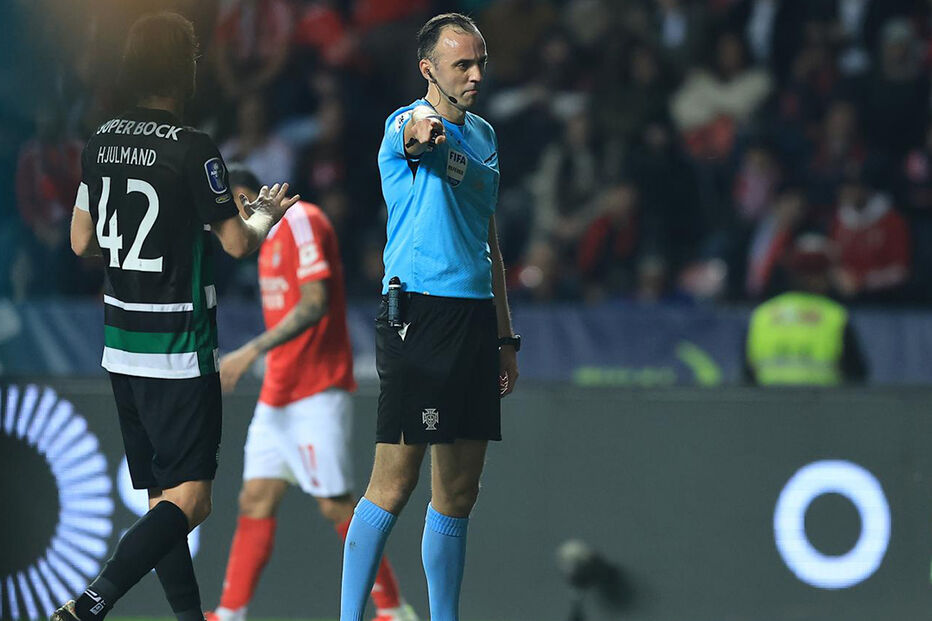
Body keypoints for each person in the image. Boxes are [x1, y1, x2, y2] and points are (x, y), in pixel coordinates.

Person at [55, 12, 299, 621]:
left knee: (163, 503)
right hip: (177, 347)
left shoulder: (100, 140)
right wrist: (266, 214)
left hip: (120, 346)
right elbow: (239, 245)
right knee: (190, 503)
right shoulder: (194, 150)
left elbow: (80, 242)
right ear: (183, 70)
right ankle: (90, 605)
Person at [340, 12, 520, 621]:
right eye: (460, 65)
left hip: (472, 321)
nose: (474, 75)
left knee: (460, 492)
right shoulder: (405, 123)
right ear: (429, 71)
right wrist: (426, 134)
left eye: (479, 63)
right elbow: (416, 135)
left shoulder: (486, 136)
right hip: (417, 314)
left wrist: (505, 336)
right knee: (394, 483)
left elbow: (488, 242)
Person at [206, 166, 417, 621]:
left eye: (234, 208)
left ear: (247, 198)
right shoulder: (264, 245)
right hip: (278, 394)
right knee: (255, 498)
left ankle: (392, 609)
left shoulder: (302, 219)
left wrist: (250, 352)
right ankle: (230, 613)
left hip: (318, 390)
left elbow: (316, 302)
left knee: (335, 503)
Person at [744, 234, 868, 386]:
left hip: (769, 406)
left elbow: (747, 379)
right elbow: (857, 377)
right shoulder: (835, 316)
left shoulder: (762, 314)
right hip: (823, 406)